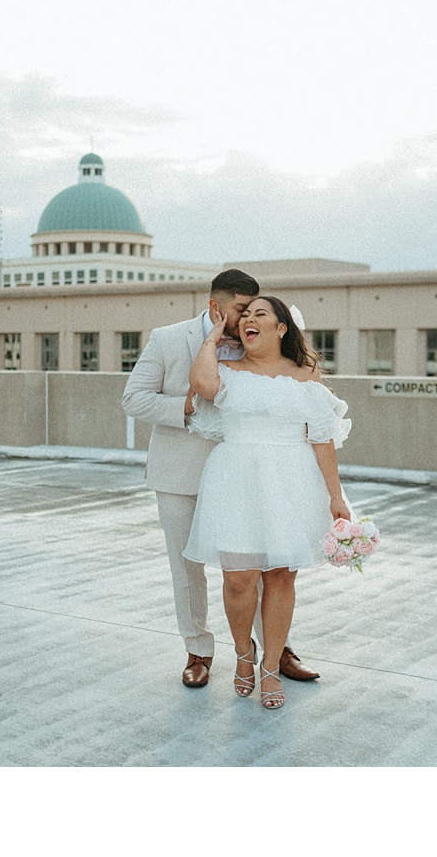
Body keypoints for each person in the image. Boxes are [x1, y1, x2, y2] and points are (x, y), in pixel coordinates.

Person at [122, 271, 322, 688]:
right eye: (238, 311)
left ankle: (276, 650)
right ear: (216, 307)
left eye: (253, 311)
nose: (245, 318)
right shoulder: (168, 338)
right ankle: (198, 651)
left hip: (252, 476)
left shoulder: (258, 339)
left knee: (269, 563)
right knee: (188, 568)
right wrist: (194, 409)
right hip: (180, 474)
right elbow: (134, 398)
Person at [183, 295, 352, 709]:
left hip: (292, 480)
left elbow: (322, 439)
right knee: (238, 578)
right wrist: (215, 338)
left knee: (280, 576)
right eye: (246, 316)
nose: (250, 321)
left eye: (262, 315)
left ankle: (271, 667)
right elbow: (201, 386)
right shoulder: (226, 371)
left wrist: (336, 496)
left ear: (282, 329)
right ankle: (244, 654)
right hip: (236, 478)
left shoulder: (306, 377)